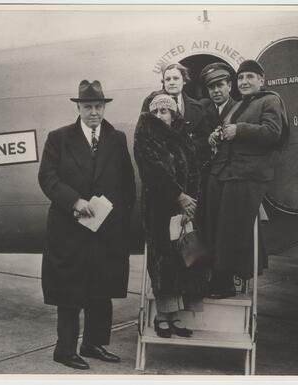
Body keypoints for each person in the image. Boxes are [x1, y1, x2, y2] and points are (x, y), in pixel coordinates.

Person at [38, 80, 136, 370]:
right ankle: (64, 350)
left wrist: (117, 218)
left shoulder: (116, 138)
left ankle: (93, 344)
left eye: (98, 106)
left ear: (104, 108)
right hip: (69, 228)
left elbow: (127, 184)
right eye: (88, 107)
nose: (94, 112)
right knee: (70, 290)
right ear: (78, 108)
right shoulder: (59, 138)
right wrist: (75, 202)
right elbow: (47, 178)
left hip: (105, 230)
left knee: (101, 288)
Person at [201, 60, 289, 299]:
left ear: (262, 79)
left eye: (250, 77)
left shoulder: (270, 100)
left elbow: (273, 133)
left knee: (231, 228)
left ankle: (225, 282)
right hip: (225, 172)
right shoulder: (239, 105)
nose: (244, 82)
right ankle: (218, 276)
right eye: (241, 78)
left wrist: (238, 130)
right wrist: (217, 135)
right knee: (215, 225)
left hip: (247, 173)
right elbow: (230, 132)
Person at [134, 94, 208, 338]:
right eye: (156, 112)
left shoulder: (182, 137)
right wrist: (180, 196)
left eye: (164, 111)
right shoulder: (145, 136)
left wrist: (191, 204)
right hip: (159, 209)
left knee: (181, 262)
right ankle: (161, 317)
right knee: (163, 261)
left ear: (174, 113)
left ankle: (175, 317)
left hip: (183, 210)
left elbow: (194, 170)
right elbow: (153, 171)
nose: (159, 116)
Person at [141, 63, 211, 168]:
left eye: (176, 78)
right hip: (161, 168)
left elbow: (204, 139)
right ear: (163, 82)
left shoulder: (196, 107)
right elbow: (142, 137)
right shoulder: (151, 101)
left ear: (184, 80)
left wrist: (189, 148)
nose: (172, 82)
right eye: (168, 79)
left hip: (189, 169)